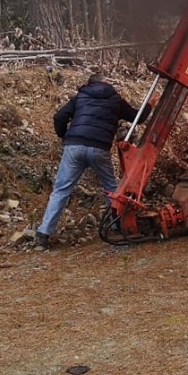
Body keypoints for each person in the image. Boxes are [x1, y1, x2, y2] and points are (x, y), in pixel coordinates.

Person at [35, 74, 152, 248]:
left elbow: (59, 117)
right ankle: (116, 225)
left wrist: (63, 136)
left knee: (61, 190)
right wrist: (150, 105)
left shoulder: (81, 97)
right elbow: (138, 118)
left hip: (74, 147)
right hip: (99, 148)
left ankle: (44, 233)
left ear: (89, 84)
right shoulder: (115, 99)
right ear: (104, 82)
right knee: (111, 188)